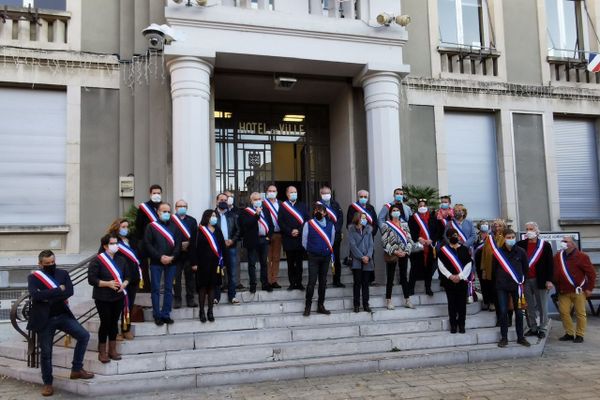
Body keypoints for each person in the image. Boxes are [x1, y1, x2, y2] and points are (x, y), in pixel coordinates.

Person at [28, 250, 93, 397]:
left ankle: (76, 369)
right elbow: (35, 295)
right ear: (40, 264)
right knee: (46, 353)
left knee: (84, 336)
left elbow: (69, 291)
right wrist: (58, 290)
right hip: (45, 320)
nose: (51, 265)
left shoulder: (62, 273)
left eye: (52, 262)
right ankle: (48, 384)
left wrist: (48, 296)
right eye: (47, 263)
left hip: (62, 315)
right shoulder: (33, 277)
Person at [88, 234, 130, 363]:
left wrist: (124, 284)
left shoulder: (121, 259)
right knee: (105, 322)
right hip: (103, 297)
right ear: (105, 245)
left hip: (118, 296)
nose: (115, 245)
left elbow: (128, 276)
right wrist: (108, 284)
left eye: (116, 243)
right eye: (112, 243)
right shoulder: (97, 260)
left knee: (113, 323)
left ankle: (112, 350)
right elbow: (92, 279)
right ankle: (102, 351)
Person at [490, 229, 530, 348]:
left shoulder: (521, 252)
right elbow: (494, 270)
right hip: (501, 286)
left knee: (519, 312)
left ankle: (520, 337)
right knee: (503, 312)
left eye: (513, 237)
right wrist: (496, 285)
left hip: (517, 286)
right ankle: (504, 338)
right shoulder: (497, 253)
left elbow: (525, 269)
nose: (511, 239)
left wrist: (523, 283)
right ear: (504, 238)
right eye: (509, 237)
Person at [144, 202, 182, 326]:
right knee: (155, 289)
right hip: (156, 262)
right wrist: (160, 257)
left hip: (171, 262)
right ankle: (157, 314)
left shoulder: (174, 227)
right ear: (158, 212)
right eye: (164, 211)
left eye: (168, 211)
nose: (166, 214)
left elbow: (178, 245)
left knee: (168, 289)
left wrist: (172, 257)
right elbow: (148, 245)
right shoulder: (151, 227)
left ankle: (166, 314)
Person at [554, 236, 597, 343]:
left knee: (580, 313)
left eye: (566, 241)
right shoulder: (557, 256)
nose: (563, 243)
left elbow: (591, 273)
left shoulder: (582, 256)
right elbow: (554, 272)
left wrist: (590, 288)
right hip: (563, 290)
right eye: (562, 241)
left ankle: (580, 334)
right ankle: (569, 333)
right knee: (563, 312)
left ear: (572, 244)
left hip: (578, 290)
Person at [516, 222, 554, 338]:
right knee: (529, 306)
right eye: (527, 229)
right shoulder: (520, 244)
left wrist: (549, 280)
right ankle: (532, 327)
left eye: (531, 229)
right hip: (525, 280)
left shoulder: (545, 245)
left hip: (540, 279)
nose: (529, 231)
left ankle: (542, 328)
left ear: (537, 231)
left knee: (542, 306)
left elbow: (550, 264)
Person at [107, 218, 141, 340]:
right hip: (119, 277)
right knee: (116, 307)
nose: (126, 229)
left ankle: (126, 329)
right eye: (123, 227)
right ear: (117, 227)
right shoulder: (111, 240)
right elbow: (104, 257)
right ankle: (114, 332)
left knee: (129, 305)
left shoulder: (131, 240)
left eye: (127, 226)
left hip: (132, 277)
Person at [191, 210, 226, 322]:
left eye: (215, 216)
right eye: (212, 216)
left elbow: (223, 247)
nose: (214, 217)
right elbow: (193, 248)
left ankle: (210, 311)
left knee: (212, 287)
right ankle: (201, 312)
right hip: (202, 264)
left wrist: (223, 262)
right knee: (202, 287)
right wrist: (194, 263)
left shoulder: (218, 230)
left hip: (215, 264)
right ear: (206, 217)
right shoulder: (198, 230)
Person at [302, 203, 335, 316]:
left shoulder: (331, 225)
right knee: (311, 282)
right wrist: (312, 250)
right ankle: (308, 306)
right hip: (313, 257)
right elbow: (304, 241)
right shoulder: (309, 224)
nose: (318, 213)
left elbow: (332, 241)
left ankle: (321, 305)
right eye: (316, 210)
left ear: (325, 213)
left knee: (323, 282)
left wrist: (325, 250)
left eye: (320, 211)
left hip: (325, 257)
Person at [437, 228, 472, 334]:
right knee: (451, 304)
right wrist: (450, 276)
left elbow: (469, 264)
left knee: (462, 304)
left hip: (462, 282)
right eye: (452, 235)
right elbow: (441, 265)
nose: (454, 237)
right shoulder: (443, 250)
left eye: (456, 235)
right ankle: (453, 325)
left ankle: (462, 325)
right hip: (449, 282)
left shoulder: (464, 249)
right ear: (448, 238)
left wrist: (460, 276)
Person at [381, 204, 416, 309]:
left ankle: (407, 300)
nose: (396, 211)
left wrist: (405, 251)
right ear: (390, 213)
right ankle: (388, 301)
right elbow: (384, 241)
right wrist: (395, 251)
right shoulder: (386, 225)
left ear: (400, 212)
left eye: (397, 210)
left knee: (404, 277)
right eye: (394, 210)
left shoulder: (405, 224)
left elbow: (410, 239)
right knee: (390, 278)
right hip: (392, 254)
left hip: (403, 254)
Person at [239, 192, 274, 293]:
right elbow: (246, 225)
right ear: (251, 201)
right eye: (255, 199)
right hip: (252, 241)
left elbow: (271, 225)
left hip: (264, 240)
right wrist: (256, 215)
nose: (258, 201)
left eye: (259, 199)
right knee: (252, 264)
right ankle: (253, 285)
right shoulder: (245, 212)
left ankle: (265, 284)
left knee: (264, 263)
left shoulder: (266, 210)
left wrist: (268, 237)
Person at [279, 186, 309, 291]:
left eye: (295, 192)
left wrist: (299, 230)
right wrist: (290, 231)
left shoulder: (303, 206)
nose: (293, 194)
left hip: (300, 238)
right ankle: (292, 283)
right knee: (290, 263)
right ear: (287, 194)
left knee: (299, 263)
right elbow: (281, 222)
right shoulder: (283, 206)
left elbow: (307, 220)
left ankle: (299, 283)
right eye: (291, 192)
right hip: (288, 238)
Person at [408, 199, 440, 297]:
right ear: (418, 207)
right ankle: (411, 289)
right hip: (418, 246)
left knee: (429, 269)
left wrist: (432, 240)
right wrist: (418, 238)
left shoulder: (432, 218)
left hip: (430, 246)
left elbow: (437, 231)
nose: (422, 207)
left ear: (427, 206)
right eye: (420, 205)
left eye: (424, 205)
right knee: (414, 268)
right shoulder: (413, 218)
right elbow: (410, 230)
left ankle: (428, 288)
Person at [134, 184, 163, 292]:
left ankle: (158, 286)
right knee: (144, 265)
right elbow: (138, 225)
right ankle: (146, 286)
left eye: (158, 193)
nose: (156, 195)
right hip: (146, 241)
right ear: (150, 194)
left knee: (157, 265)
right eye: (154, 193)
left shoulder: (164, 207)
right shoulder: (144, 207)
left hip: (160, 241)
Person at [346, 190, 378, 285]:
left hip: (368, 236)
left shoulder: (370, 208)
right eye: (361, 196)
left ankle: (370, 280)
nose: (363, 198)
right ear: (358, 197)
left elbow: (375, 222)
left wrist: (371, 233)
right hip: (356, 237)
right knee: (357, 258)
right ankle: (358, 279)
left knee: (369, 257)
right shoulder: (352, 207)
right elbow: (349, 222)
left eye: (365, 196)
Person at [316, 185, 345, 288]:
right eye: (324, 193)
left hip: (335, 236)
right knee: (323, 260)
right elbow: (316, 220)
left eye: (328, 193)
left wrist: (335, 229)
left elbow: (340, 218)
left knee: (336, 259)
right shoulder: (318, 205)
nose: (327, 195)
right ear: (321, 194)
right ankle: (323, 281)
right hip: (323, 236)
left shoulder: (335, 204)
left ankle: (337, 280)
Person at [172, 199, 198, 309]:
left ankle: (190, 299)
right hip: (176, 254)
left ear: (186, 208)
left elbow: (195, 237)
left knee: (190, 278)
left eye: (184, 206)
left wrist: (188, 244)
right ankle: (177, 299)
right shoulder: (171, 220)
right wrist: (179, 245)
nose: (182, 207)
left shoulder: (192, 220)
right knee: (176, 278)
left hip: (189, 253)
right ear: (175, 208)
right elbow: (169, 237)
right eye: (179, 206)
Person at [215, 192, 241, 304]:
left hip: (231, 247)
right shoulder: (212, 215)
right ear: (216, 201)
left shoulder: (233, 215)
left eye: (225, 200)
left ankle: (232, 296)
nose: (223, 202)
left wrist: (232, 240)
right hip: (217, 248)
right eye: (221, 200)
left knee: (232, 272)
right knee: (216, 272)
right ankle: (216, 296)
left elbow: (238, 230)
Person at [348, 212, 374, 312]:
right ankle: (356, 305)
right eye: (363, 218)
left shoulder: (368, 230)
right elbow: (352, 246)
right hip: (357, 261)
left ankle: (366, 304)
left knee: (365, 283)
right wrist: (361, 257)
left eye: (365, 218)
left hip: (367, 260)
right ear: (357, 219)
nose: (365, 220)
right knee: (357, 283)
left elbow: (371, 245)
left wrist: (368, 256)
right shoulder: (351, 230)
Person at [263, 184, 283, 289]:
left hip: (278, 234)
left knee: (276, 258)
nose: (272, 192)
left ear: (277, 192)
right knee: (268, 259)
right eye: (270, 190)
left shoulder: (281, 204)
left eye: (274, 190)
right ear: (267, 192)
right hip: (267, 235)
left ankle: (274, 280)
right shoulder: (263, 204)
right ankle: (268, 280)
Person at [474, 220, 493, 311]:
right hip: (479, 263)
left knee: (490, 283)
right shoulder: (477, 237)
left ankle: (492, 302)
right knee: (483, 283)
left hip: (488, 263)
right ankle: (486, 301)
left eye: (486, 224)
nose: (484, 226)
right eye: (482, 225)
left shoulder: (491, 237)